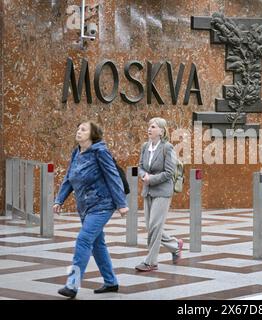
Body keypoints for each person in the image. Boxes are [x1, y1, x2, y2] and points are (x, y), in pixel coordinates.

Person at [53, 121, 129, 298]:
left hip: (102, 204)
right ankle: (111, 282)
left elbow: (113, 177)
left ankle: (72, 285)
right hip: (85, 207)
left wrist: (121, 204)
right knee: (97, 244)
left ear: (92, 134)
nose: (78, 131)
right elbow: (69, 178)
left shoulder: (100, 152)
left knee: (83, 240)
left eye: (83, 129)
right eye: (78, 128)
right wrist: (59, 200)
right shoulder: (76, 153)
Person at [135, 117, 183, 272]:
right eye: (149, 126)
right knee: (151, 227)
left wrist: (151, 179)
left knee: (155, 226)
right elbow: (140, 166)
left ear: (162, 131)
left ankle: (151, 262)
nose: (150, 129)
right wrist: (143, 176)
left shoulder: (167, 148)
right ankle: (175, 245)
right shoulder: (145, 146)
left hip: (162, 191)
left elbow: (169, 172)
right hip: (148, 190)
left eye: (153, 127)